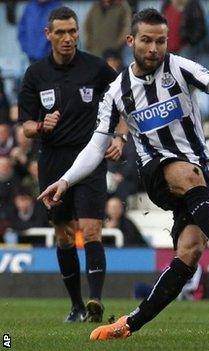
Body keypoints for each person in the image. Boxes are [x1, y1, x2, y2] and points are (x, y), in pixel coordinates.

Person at [37, 8, 209, 340]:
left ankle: (128, 324)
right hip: (158, 172)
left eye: (160, 41)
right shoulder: (117, 91)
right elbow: (96, 146)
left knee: (189, 253)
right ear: (131, 41)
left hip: (197, 175)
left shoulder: (179, 67)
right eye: (146, 40)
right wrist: (66, 179)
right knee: (185, 174)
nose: (153, 48)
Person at [17, 6, 124, 324]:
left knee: (91, 230)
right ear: (47, 34)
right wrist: (39, 126)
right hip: (53, 159)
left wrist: (120, 138)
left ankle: (95, 302)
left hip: (89, 156)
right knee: (64, 235)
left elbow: (123, 103)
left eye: (73, 31)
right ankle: (76, 305)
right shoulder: (36, 74)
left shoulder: (97, 69)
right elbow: (24, 125)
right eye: (61, 32)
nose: (68, 38)